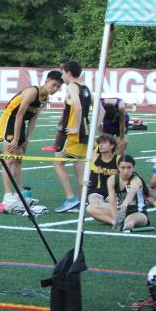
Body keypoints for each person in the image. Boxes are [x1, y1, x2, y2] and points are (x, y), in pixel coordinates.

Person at [0, 70, 63, 201]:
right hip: (9, 120)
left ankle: (20, 193)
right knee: (9, 158)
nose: (55, 89)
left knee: (18, 159)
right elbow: (19, 115)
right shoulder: (32, 92)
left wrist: (27, 139)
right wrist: (15, 139)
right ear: (46, 81)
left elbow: (33, 120)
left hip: (20, 123)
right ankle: (7, 195)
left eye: (58, 87)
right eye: (53, 85)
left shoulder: (45, 99)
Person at [52, 60, 91, 212]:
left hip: (72, 135)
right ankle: (82, 202)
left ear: (68, 73)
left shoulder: (72, 86)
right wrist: (91, 127)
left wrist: (75, 127)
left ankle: (70, 199)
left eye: (62, 72)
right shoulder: (86, 88)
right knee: (79, 166)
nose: (61, 75)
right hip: (85, 133)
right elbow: (100, 109)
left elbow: (78, 106)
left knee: (58, 163)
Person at [88, 155, 149, 232]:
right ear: (118, 167)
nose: (126, 171)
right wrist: (115, 217)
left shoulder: (136, 180)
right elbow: (112, 201)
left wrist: (125, 204)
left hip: (138, 213)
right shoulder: (112, 179)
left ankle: (124, 224)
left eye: (129, 168)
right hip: (120, 211)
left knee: (129, 221)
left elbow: (132, 192)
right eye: (123, 168)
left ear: (133, 167)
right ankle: (115, 223)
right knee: (90, 208)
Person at [83, 134, 119, 215]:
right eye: (99, 143)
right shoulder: (94, 157)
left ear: (112, 145)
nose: (101, 145)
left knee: (116, 202)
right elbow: (89, 139)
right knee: (95, 206)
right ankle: (115, 213)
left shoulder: (118, 159)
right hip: (96, 191)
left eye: (104, 142)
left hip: (114, 191)